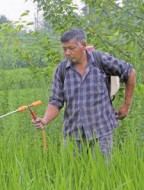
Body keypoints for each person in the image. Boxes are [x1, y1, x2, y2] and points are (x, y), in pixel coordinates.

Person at [33, 28, 136, 156]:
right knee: (73, 174)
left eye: (71, 48)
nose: (67, 53)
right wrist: (45, 120)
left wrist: (126, 106)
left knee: (101, 173)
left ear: (83, 45)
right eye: (64, 49)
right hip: (73, 135)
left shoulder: (101, 60)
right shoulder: (62, 70)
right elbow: (56, 100)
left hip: (101, 132)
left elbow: (130, 72)